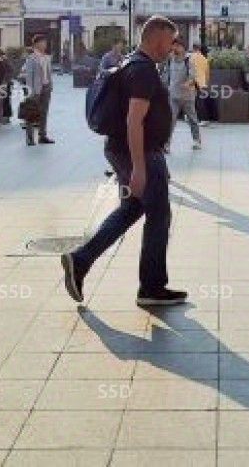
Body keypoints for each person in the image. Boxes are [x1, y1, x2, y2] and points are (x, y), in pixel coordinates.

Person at [60, 16, 187, 307]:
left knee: (132, 208)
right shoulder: (143, 70)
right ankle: (152, 288)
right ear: (157, 38)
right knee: (159, 215)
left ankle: (80, 260)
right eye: (170, 41)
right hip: (140, 154)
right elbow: (134, 120)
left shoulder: (131, 63)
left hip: (123, 150)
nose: (172, 47)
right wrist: (140, 168)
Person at [161, 38, 201, 152]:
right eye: (173, 46)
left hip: (187, 97)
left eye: (178, 46)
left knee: (192, 119)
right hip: (173, 96)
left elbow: (193, 76)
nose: (175, 48)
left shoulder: (189, 60)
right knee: (171, 120)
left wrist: (188, 83)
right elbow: (166, 77)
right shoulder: (170, 60)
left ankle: (197, 140)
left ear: (183, 48)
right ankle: (166, 144)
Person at [24, 35, 54, 145]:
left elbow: (48, 72)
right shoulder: (31, 58)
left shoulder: (46, 57)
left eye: (45, 42)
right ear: (36, 44)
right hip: (35, 90)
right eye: (43, 42)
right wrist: (31, 91)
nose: (45, 45)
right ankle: (30, 138)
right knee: (31, 113)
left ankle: (42, 136)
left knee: (44, 112)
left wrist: (50, 85)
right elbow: (29, 76)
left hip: (46, 88)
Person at [190, 43, 212, 125]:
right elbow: (207, 73)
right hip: (202, 82)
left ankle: (196, 118)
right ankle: (204, 119)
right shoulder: (204, 59)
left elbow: (190, 69)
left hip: (194, 81)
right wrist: (206, 82)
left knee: (194, 101)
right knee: (201, 101)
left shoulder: (192, 57)